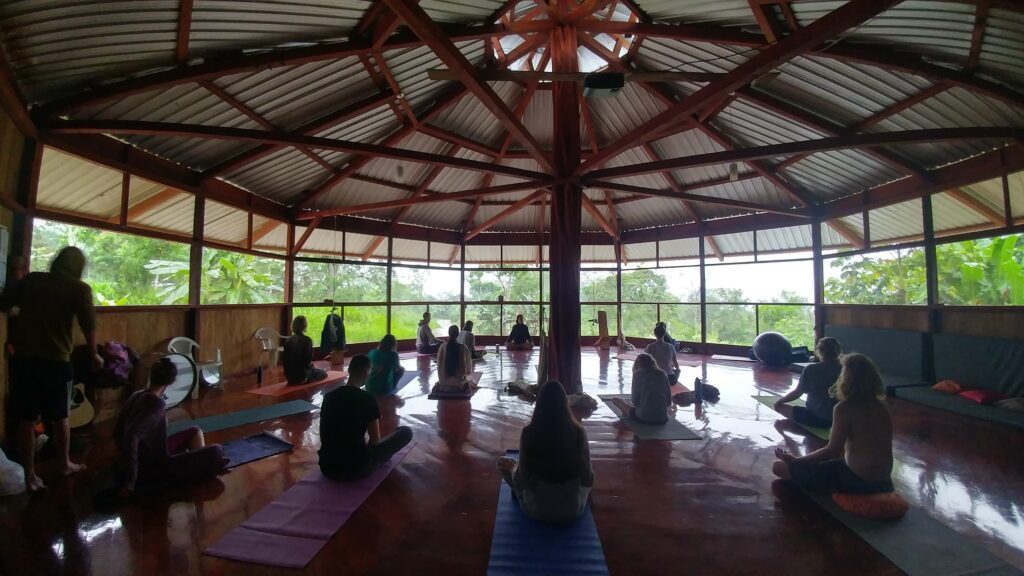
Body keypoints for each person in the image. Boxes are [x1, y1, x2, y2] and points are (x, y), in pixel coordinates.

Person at [0, 247, 99, 492]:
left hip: (25, 360)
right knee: (61, 417)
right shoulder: (79, 289)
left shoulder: (33, 280)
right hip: (57, 362)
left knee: (26, 418)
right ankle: (64, 464)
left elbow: (5, 303)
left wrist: (16, 276)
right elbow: (89, 325)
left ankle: (30, 475)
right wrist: (95, 353)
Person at [772, 353, 894, 495]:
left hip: (856, 480)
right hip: (884, 481)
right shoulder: (883, 407)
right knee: (832, 464)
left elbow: (832, 451)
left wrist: (797, 460)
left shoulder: (844, 408)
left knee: (778, 467)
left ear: (846, 379)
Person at [115, 357, 227, 497]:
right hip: (153, 465)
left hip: (150, 453)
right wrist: (131, 479)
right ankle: (197, 467)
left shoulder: (137, 395)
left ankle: (196, 465)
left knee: (195, 431)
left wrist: (122, 458)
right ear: (172, 382)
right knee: (216, 451)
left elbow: (118, 431)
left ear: (151, 375)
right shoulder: (156, 404)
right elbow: (132, 436)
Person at [497, 381, 594, 523]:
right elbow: (588, 478)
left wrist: (513, 469)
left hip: (535, 510)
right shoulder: (579, 432)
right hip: (572, 510)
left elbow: (521, 480)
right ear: (565, 404)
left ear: (539, 404)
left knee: (503, 463)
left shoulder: (529, 433)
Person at [319, 354, 412, 481]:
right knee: (405, 432)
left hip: (327, 466)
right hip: (355, 468)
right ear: (367, 372)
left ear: (349, 370)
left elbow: (324, 435)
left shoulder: (328, 397)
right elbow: (375, 442)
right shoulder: (367, 399)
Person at [773, 337, 842, 428]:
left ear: (819, 351)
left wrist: (779, 402)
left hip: (815, 417)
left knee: (780, 407)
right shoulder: (845, 369)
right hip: (840, 419)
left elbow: (797, 393)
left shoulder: (811, 369)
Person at [611, 353, 672, 424]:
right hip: (662, 418)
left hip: (643, 417)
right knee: (628, 403)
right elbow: (668, 401)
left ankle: (628, 418)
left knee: (616, 400)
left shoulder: (637, 374)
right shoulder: (662, 373)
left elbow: (635, 401)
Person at [282, 316, 328, 386]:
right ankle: (307, 380)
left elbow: (285, 360)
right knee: (324, 373)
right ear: (304, 326)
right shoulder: (307, 340)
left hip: (289, 376)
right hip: (302, 376)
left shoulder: (288, 341)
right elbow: (307, 361)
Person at [435, 325, 473, 392]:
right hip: (459, 386)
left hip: (444, 385)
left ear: (449, 333)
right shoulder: (463, 347)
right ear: (458, 334)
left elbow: (439, 367)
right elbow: (468, 369)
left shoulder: (442, 347)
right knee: (470, 379)